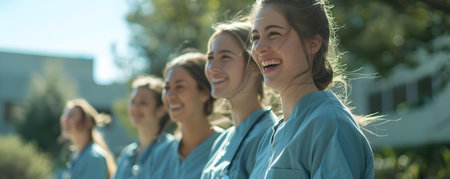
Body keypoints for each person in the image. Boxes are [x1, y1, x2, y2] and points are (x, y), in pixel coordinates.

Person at [249, 0, 375, 178]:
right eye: (255, 38)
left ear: (312, 44)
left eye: (274, 34)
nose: (259, 48)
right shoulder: (270, 138)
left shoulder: (330, 124)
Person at [201, 21, 278, 179]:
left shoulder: (269, 136)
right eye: (210, 58)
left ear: (255, 66)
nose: (212, 67)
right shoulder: (221, 141)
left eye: (225, 57)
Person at [146, 52, 223, 179]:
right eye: (167, 87)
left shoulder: (226, 148)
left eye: (179, 86)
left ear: (204, 92)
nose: (170, 95)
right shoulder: (159, 154)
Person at [113, 75, 174, 178]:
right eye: (132, 102)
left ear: (161, 109)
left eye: (143, 103)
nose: (135, 108)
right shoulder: (127, 154)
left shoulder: (171, 150)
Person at [60, 98, 116, 179]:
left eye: (71, 115)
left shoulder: (95, 157)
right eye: (65, 115)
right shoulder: (76, 156)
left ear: (89, 123)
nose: (65, 119)